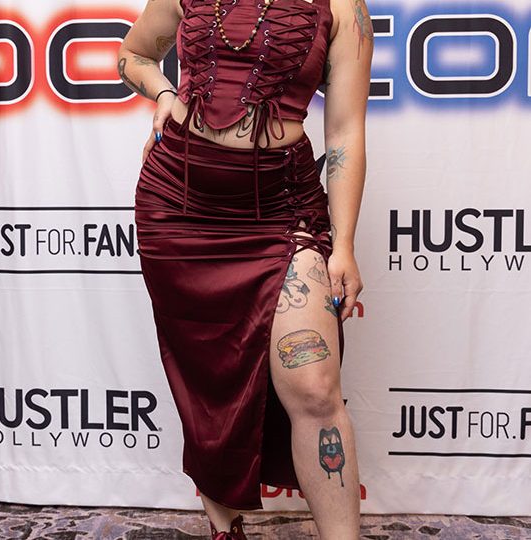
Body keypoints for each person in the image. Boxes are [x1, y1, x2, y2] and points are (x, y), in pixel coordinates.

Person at [118, 0, 371, 537]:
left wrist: (344, 243)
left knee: (315, 387)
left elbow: (345, 132)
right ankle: (224, 527)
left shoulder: (343, 8)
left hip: (281, 207)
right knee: (205, 374)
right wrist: (164, 94)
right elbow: (134, 55)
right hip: (178, 204)